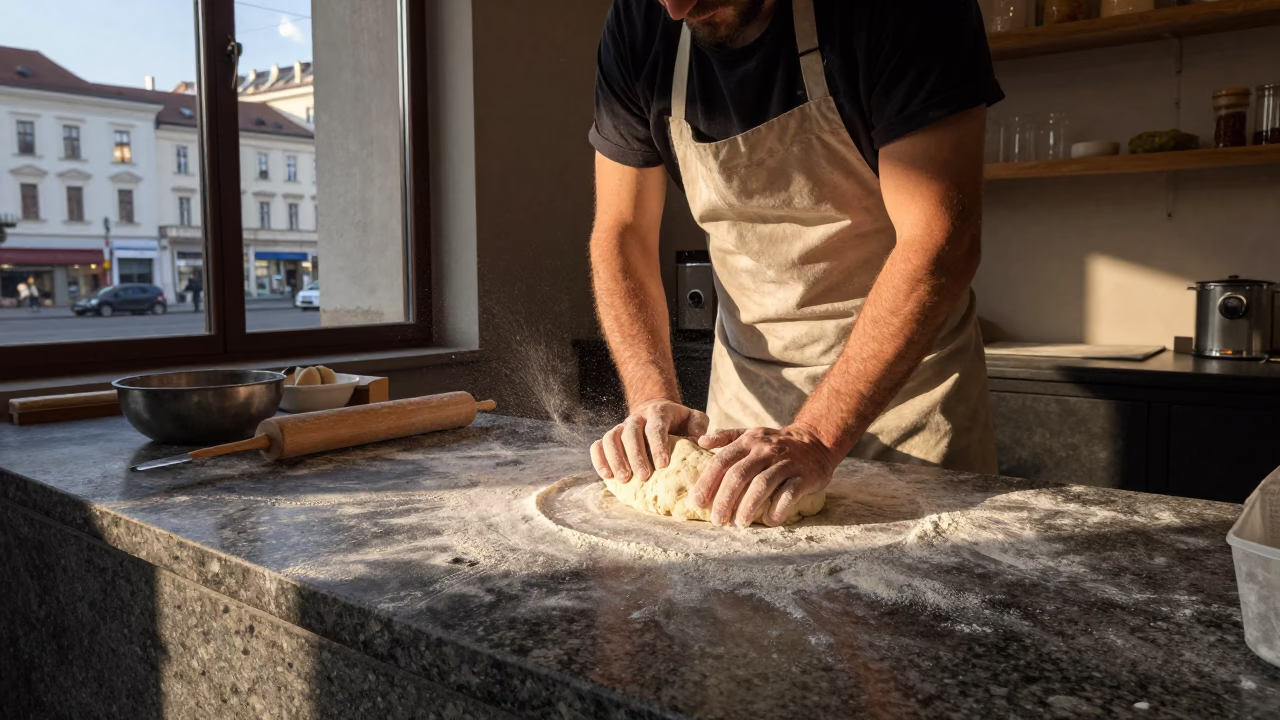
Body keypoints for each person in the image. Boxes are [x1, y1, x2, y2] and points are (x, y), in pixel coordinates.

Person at [588, 0, 1003, 528]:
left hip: (908, 411)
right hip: (741, 415)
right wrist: (652, 400)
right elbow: (623, 230)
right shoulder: (641, 21)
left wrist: (817, 436)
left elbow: (942, 241)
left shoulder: (903, 12)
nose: (675, 9)